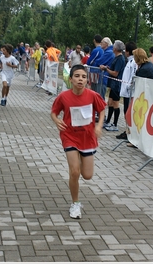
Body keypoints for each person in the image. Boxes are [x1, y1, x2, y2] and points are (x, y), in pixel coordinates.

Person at [51, 65, 107, 219]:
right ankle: (75, 204)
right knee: (75, 171)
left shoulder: (93, 95)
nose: (80, 79)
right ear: (71, 79)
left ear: (87, 80)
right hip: (69, 136)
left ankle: (80, 160)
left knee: (87, 175)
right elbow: (54, 112)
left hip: (87, 138)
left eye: (83, 76)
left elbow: (102, 110)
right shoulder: (63, 96)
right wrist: (56, 120)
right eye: (77, 76)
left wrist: (99, 125)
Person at [100, 40, 126, 132]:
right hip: (113, 84)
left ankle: (115, 124)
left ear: (115, 48)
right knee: (110, 102)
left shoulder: (120, 59)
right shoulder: (116, 57)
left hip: (116, 84)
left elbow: (115, 73)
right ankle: (108, 121)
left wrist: (106, 69)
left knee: (116, 104)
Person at [116, 41, 137, 140]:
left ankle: (129, 132)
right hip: (126, 92)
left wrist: (128, 87)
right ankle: (127, 130)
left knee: (128, 112)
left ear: (127, 51)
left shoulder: (133, 62)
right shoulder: (129, 61)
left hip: (129, 92)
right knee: (126, 112)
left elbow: (132, 76)